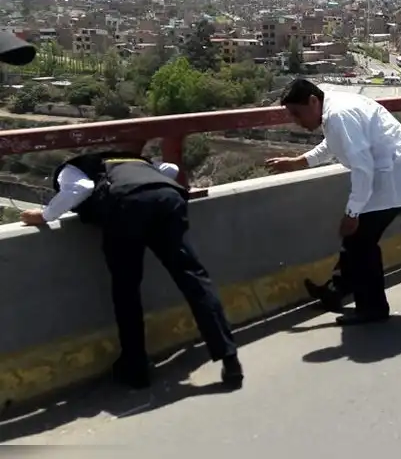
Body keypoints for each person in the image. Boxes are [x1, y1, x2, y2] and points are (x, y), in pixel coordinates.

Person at [20, 150, 243, 390]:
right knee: (193, 278)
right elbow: (171, 170)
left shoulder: (70, 169)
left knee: (126, 288)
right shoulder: (134, 159)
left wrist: (45, 215)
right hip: (168, 198)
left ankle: (136, 368)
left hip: (125, 207)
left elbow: (81, 189)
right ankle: (230, 359)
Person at [267, 79, 401, 325]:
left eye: (297, 113)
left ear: (313, 101)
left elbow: (363, 169)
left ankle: (372, 307)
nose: (295, 121)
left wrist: (352, 213)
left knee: (361, 242)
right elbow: (334, 144)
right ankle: (336, 291)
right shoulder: (331, 107)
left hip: (391, 182)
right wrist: (299, 161)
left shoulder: (338, 114)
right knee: (356, 241)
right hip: (389, 177)